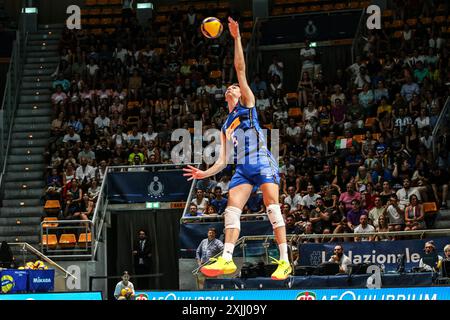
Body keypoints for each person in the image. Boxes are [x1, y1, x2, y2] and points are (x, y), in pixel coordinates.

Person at [183, 17, 292, 281]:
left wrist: (237, 38)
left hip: (262, 161)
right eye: (231, 87)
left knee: (272, 208)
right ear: (226, 97)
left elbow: (240, 69)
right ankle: (228, 260)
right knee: (231, 210)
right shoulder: (224, 126)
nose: (234, 87)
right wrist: (204, 174)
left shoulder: (248, 103)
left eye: (235, 86)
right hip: (243, 168)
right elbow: (222, 161)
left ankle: (285, 260)